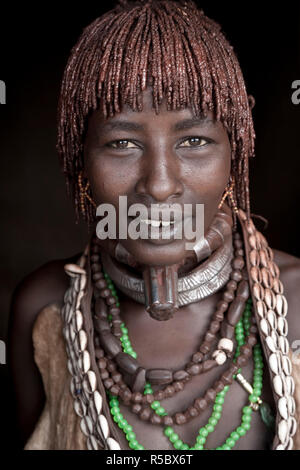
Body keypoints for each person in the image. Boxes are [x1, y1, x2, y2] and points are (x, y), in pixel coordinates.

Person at [8, 0, 300, 451]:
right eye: (122, 142)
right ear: (79, 159)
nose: (160, 185)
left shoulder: (297, 301)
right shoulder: (46, 310)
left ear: (235, 151)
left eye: (195, 141)